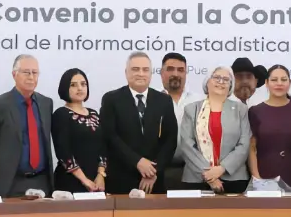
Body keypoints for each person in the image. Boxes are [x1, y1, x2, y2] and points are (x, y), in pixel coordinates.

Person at [100, 52, 179, 194]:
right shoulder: (111, 99)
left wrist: (153, 171)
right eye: (135, 69)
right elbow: (110, 136)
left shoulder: (164, 100)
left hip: (154, 181)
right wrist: (137, 161)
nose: (141, 74)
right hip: (121, 179)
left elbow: (170, 139)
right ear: (126, 72)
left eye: (145, 69)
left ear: (151, 73)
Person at [0, 54, 56, 198]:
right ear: (14, 75)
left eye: (35, 72)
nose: (31, 77)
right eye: (26, 72)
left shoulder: (46, 103)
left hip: (42, 182)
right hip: (9, 184)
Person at [178, 66, 252, 193]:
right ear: (207, 82)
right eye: (216, 77)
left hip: (233, 178)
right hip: (197, 178)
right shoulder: (191, 109)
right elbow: (187, 144)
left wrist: (222, 169)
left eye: (226, 79)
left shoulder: (241, 110)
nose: (221, 82)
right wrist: (209, 174)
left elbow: (244, 144)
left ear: (231, 86)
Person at [248, 64, 291, 192]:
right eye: (274, 80)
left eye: (283, 80)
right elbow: (251, 148)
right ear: (266, 83)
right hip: (265, 174)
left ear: (289, 83)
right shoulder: (255, 111)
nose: (279, 83)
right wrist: (257, 178)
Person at [52, 68, 107, 195]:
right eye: (73, 85)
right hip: (71, 180)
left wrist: (101, 175)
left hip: (97, 181)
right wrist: (84, 180)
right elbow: (63, 152)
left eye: (83, 84)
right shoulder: (61, 114)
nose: (80, 88)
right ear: (65, 88)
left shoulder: (94, 113)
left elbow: (103, 147)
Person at [159, 52, 194, 187]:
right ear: (161, 72)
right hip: (158, 170)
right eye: (170, 69)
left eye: (180, 70)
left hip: (193, 170)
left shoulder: (199, 100)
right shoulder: (152, 99)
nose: (175, 74)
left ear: (186, 74)